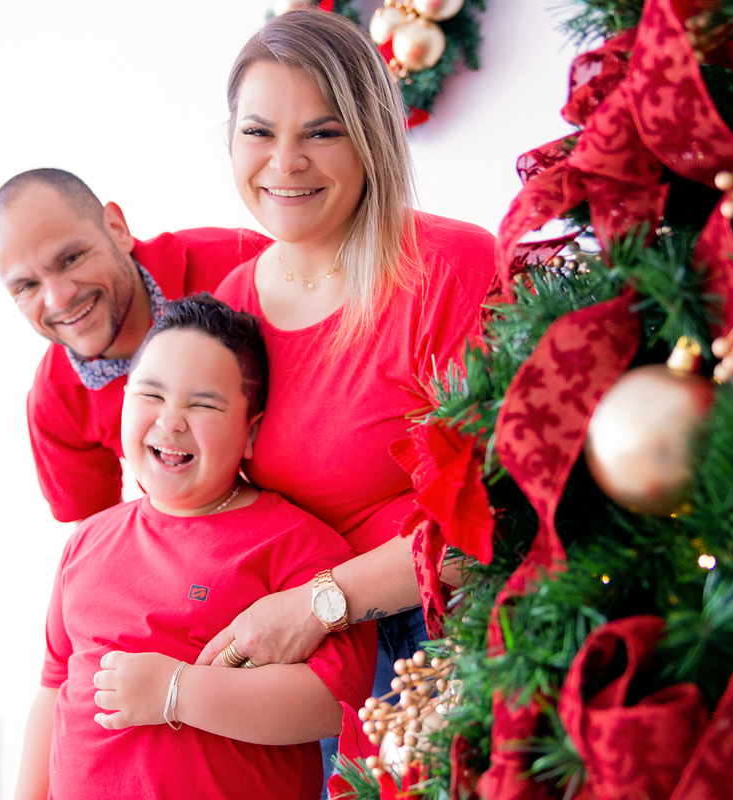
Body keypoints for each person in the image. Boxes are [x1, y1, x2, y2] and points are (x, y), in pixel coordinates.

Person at [202, 8, 496, 710]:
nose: (285, 162)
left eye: (322, 132)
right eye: (258, 132)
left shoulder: (451, 269)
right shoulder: (231, 305)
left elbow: (490, 518)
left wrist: (319, 603)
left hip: (443, 637)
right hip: (301, 658)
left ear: (371, 139)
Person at [16, 294, 376, 800]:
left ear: (250, 432)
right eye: (151, 395)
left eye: (202, 404)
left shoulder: (298, 545)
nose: (171, 422)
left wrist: (177, 692)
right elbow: (54, 688)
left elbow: (332, 702)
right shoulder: (87, 542)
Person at [0, 169, 271, 522]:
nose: (59, 298)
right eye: (26, 286)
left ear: (117, 228)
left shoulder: (242, 264)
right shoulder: (54, 402)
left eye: (71, 259)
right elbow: (99, 534)